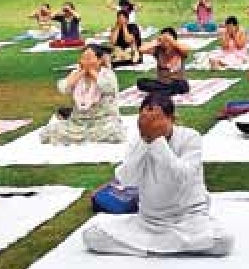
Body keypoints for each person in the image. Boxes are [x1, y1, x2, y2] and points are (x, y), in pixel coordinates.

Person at [81, 92, 233, 257]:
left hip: (187, 220)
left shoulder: (190, 138)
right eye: (146, 120)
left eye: (156, 119)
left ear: (172, 119)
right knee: (92, 235)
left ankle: (149, 248)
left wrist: (157, 141)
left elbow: (181, 177)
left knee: (223, 241)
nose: (151, 124)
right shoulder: (139, 141)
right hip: (149, 222)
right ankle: (164, 247)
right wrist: (146, 141)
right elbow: (127, 180)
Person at [42, 45, 125, 144]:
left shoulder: (107, 74)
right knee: (52, 131)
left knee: (113, 132)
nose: (86, 61)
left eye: (89, 58)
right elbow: (63, 88)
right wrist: (81, 73)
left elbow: (108, 87)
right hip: (78, 122)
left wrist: (92, 72)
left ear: (99, 61)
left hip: (103, 120)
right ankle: (82, 135)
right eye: (83, 58)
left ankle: (86, 135)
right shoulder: (76, 74)